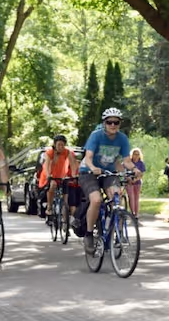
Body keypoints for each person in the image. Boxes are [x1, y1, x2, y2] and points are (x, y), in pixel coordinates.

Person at [79, 108, 140, 253]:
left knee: (117, 196)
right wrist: (93, 167)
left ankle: (117, 232)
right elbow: (88, 157)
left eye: (116, 122)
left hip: (108, 173)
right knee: (96, 200)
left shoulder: (122, 139)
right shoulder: (96, 136)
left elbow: (126, 161)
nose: (113, 125)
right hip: (89, 172)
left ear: (119, 124)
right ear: (104, 123)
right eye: (109, 122)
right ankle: (89, 234)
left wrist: (134, 169)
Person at [40, 134, 79, 223]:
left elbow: (73, 164)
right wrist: (48, 176)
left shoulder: (67, 152)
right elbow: (46, 166)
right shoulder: (50, 153)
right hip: (51, 175)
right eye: (59, 145)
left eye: (62, 145)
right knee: (53, 185)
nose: (61, 147)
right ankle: (49, 207)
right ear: (55, 144)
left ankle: (65, 221)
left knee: (65, 199)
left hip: (62, 176)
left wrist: (74, 175)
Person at [125, 148, 146, 217]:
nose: (136, 156)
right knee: (131, 197)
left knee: (136, 198)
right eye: (134, 154)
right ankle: (132, 213)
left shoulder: (141, 163)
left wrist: (136, 179)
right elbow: (123, 171)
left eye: (137, 154)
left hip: (137, 182)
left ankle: (136, 214)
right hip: (128, 182)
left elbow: (141, 174)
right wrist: (128, 179)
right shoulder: (128, 162)